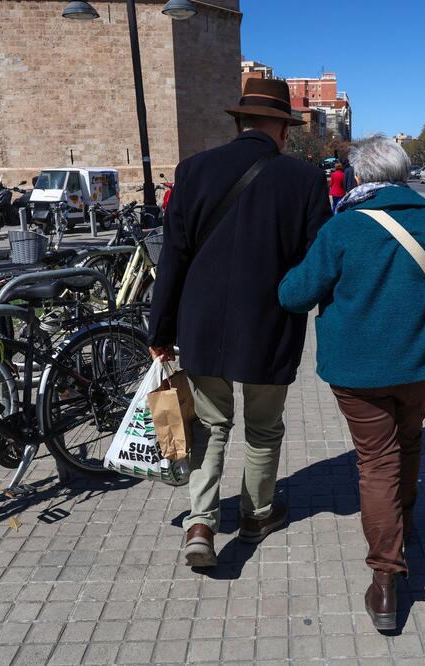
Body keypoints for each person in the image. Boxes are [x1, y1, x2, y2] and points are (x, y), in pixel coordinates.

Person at [278, 135, 425, 632]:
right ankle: (403, 515)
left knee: (375, 461)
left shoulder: (342, 230)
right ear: (403, 176)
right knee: (410, 436)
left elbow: (295, 295)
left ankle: (385, 579)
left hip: (358, 372)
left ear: (358, 178)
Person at [147, 78, 332, 568]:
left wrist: (159, 332)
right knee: (264, 427)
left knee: (209, 425)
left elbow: (174, 259)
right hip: (271, 323)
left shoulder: (192, 172)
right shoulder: (305, 180)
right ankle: (256, 515)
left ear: (238, 122)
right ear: (283, 130)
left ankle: (202, 524)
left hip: (201, 323)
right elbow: (318, 262)